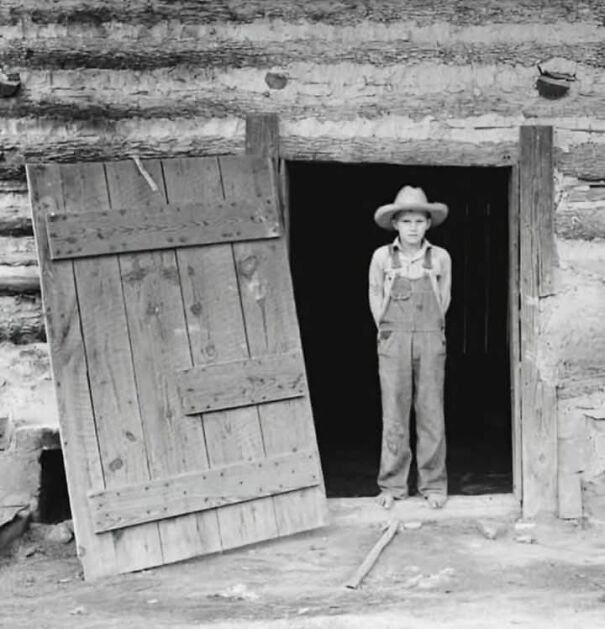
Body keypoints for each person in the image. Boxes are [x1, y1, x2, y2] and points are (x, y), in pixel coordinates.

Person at [369, 185, 451, 510]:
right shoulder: (382, 257)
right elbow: (375, 295)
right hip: (394, 339)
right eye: (406, 221)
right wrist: (389, 331)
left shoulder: (440, 257)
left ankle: (433, 484)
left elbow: (444, 299)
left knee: (431, 411)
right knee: (394, 411)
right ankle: (391, 485)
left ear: (428, 223)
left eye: (419, 220)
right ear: (395, 225)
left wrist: (428, 330)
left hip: (431, 337)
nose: (413, 227)